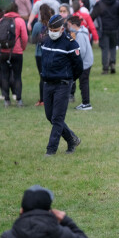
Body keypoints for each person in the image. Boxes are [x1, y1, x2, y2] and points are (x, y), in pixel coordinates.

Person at [41, 14, 83, 156]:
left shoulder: (70, 43)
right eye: (50, 29)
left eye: (55, 29)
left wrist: (69, 79)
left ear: (62, 28)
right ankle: (72, 139)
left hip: (62, 84)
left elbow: (78, 66)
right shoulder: (46, 41)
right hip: (47, 83)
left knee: (57, 118)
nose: (52, 32)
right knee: (50, 116)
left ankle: (51, 149)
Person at [0, 0, 28, 107]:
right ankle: (19, 99)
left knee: (4, 75)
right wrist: (22, 48)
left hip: (3, 51)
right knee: (17, 76)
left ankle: (6, 99)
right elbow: (24, 37)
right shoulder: (19, 21)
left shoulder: (1, 20)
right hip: (16, 51)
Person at [90, 0, 119, 74]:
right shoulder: (117, 3)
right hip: (114, 28)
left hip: (103, 29)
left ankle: (105, 67)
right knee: (113, 46)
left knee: (105, 48)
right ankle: (112, 63)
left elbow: (92, 16)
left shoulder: (100, 4)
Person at [67, 16, 94, 108]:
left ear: (74, 25)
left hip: (85, 63)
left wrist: (75, 60)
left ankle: (86, 103)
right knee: (83, 82)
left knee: (83, 83)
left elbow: (81, 51)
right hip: (86, 61)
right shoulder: (82, 32)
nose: (68, 27)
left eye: (69, 25)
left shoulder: (80, 35)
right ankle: (85, 103)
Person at [31, 4, 54, 106]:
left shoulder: (37, 25)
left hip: (40, 53)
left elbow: (32, 40)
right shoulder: (53, 24)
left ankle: (42, 100)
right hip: (52, 52)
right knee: (52, 75)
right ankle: (52, 98)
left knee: (42, 77)